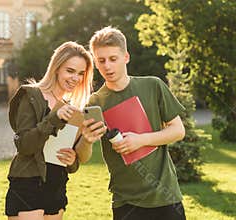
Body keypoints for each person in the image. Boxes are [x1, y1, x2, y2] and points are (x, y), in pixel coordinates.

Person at [76, 26, 186, 220]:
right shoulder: (95, 103)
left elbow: (178, 130)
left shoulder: (153, 86)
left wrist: (140, 140)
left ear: (126, 57)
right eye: (101, 61)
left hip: (165, 196)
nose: (107, 66)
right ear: (96, 62)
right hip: (125, 202)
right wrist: (85, 139)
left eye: (113, 59)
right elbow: (83, 157)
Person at [5, 41, 94, 220]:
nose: (75, 78)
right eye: (70, 71)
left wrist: (72, 160)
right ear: (56, 68)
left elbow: (72, 159)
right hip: (28, 183)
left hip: (56, 184)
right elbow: (24, 145)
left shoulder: (72, 109)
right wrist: (54, 118)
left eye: (80, 74)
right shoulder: (31, 96)